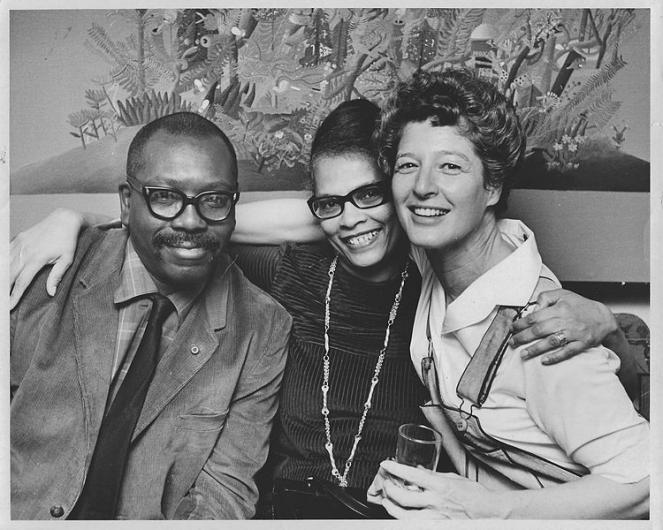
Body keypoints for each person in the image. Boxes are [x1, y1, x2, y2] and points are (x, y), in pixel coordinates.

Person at [10, 101, 632, 519]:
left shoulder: (438, 275)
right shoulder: (291, 272)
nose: (353, 219)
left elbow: (521, 288)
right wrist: (83, 217)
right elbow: (194, 227)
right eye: (330, 204)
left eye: (369, 194)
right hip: (282, 507)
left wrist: (609, 322)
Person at [366, 69, 649, 519]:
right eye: (407, 165)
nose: (422, 187)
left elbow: (647, 482)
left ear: (493, 187)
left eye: (451, 166)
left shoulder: (542, 329)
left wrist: (485, 509)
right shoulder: (432, 253)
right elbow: (339, 216)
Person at [10, 112, 292, 520]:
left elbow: (225, 491)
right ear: (127, 202)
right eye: (165, 196)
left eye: (213, 200)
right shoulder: (44, 274)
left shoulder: (262, 328)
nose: (191, 221)